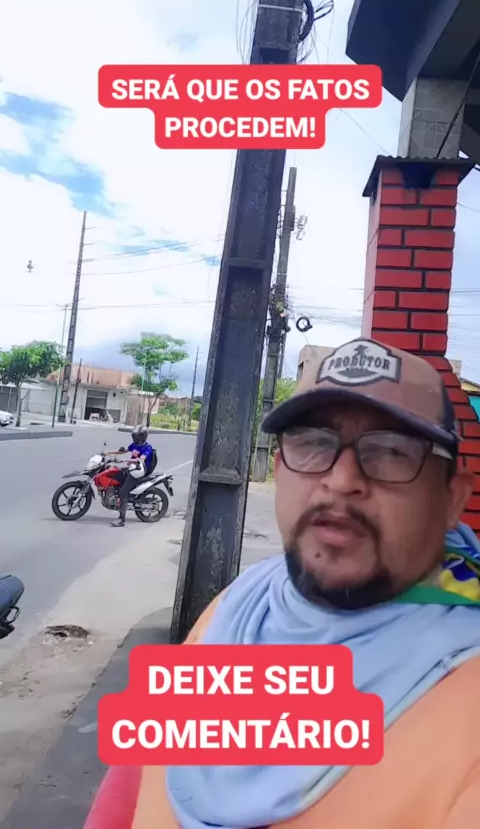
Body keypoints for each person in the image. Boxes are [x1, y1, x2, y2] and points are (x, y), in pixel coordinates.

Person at [87, 338, 480, 828]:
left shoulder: (466, 705)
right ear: (278, 470)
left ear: (452, 499)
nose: (341, 480)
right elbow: (129, 791)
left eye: (392, 451)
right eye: (313, 443)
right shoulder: (241, 606)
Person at [110, 425, 154, 528]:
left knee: (123, 492)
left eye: (136, 436)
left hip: (139, 471)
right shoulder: (135, 445)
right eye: (134, 436)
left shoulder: (147, 448)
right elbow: (123, 451)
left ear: (142, 436)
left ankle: (121, 519)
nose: (134, 438)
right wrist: (108, 453)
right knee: (116, 474)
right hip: (132, 469)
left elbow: (140, 460)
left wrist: (124, 460)